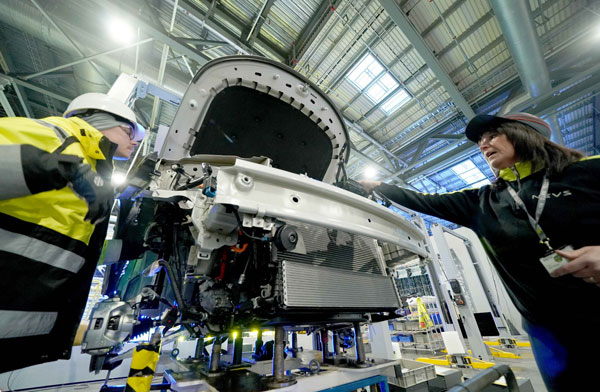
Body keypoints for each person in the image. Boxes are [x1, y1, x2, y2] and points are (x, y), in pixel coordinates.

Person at [360, 112, 600, 392]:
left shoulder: (587, 172)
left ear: (524, 133)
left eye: (492, 136)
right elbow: (425, 200)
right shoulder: (482, 202)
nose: (483, 145)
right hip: (547, 333)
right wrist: (377, 187)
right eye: (480, 142)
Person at [0, 93, 144, 372]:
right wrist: (56, 166)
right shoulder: (55, 136)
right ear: (101, 121)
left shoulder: (94, 171)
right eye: (129, 131)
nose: (135, 141)